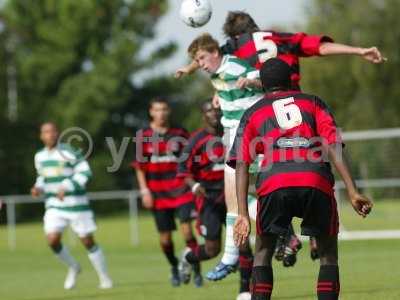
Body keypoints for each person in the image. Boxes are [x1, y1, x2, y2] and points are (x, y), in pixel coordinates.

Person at [176, 10, 385, 265]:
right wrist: (359, 51)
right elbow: (320, 47)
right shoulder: (282, 38)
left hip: (269, 118)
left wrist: (189, 70)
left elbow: (208, 60)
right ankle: (314, 233)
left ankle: (278, 236)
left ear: (234, 35)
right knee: (315, 173)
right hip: (303, 114)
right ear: (255, 26)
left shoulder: (233, 46)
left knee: (254, 179)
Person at [229, 58, 373, 300]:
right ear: (291, 81)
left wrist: (243, 213)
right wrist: (352, 190)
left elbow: (242, 163)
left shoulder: (253, 112)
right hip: (315, 179)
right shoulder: (313, 102)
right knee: (327, 255)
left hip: (274, 183)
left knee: (263, 252)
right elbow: (333, 145)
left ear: (262, 85)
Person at [187, 33, 261, 284]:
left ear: (215, 53)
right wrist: (189, 69)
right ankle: (231, 257)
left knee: (246, 197)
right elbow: (213, 75)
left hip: (249, 139)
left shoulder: (236, 66)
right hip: (233, 140)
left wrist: (250, 83)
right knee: (237, 201)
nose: (202, 65)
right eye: (198, 61)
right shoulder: (216, 72)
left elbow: (262, 80)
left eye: (202, 59)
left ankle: (282, 234)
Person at [177, 102, 253, 299]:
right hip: (209, 199)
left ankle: (244, 291)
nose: (215, 113)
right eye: (210, 110)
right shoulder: (196, 140)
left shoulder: (231, 134)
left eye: (217, 109)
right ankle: (187, 257)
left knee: (243, 242)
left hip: (233, 197)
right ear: (203, 115)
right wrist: (194, 185)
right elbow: (183, 170)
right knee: (212, 250)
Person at [31, 122, 113, 290]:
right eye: (46, 132)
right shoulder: (39, 156)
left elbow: (85, 172)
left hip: (76, 204)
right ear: (41, 136)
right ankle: (74, 267)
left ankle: (104, 278)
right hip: (54, 205)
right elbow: (42, 177)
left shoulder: (69, 151)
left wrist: (67, 186)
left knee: (87, 241)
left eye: (53, 131)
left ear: (58, 133)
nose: (50, 135)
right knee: (52, 240)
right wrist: (38, 187)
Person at [131, 98, 201, 287]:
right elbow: (139, 167)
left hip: (182, 190)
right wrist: (144, 191)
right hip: (158, 194)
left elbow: (191, 160)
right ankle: (174, 266)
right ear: (151, 112)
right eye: (157, 110)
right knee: (165, 238)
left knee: (187, 230)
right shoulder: (143, 135)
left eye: (164, 109)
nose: (161, 113)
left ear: (168, 111)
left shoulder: (180, 133)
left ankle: (196, 270)